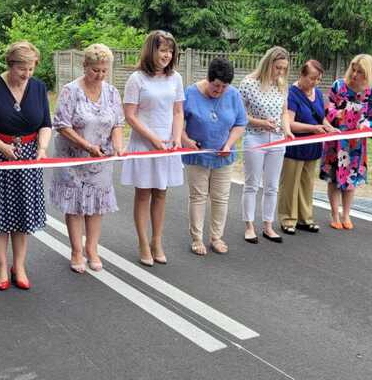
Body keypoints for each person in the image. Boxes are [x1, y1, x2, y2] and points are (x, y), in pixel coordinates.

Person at [0, 41, 52, 290]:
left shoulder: (38, 88)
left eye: (31, 69)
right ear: (10, 65)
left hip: (27, 155)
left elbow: (45, 123)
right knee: (0, 210)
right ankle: (1, 266)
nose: (27, 74)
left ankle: (20, 265)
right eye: (22, 69)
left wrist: (42, 148)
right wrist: (2, 147)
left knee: (23, 210)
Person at [50, 44, 125, 273]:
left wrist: (119, 146)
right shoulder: (70, 91)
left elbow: (118, 123)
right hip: (74, 156)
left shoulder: (111, 92)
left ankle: (92, 249)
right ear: (85, 66)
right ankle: (76, 250)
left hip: (100, 158)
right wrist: (86, 145)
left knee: (96, 205)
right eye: (95, 70)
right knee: (75, 205)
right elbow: (61, 124)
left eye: (104, 70)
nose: (100, 75)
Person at [121, 30, 184, 266]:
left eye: (170, 51)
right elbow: (130, 115)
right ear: (151, 50)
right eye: (162, 50)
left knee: (161, 193)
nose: (167, 55)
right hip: (144, 143)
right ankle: (143, 242)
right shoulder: (136, 79)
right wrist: (152, 138)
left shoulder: (175, 78)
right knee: (144, 194)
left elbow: (178, 111)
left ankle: (157, 241)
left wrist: (176, 138)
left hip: (167, 145)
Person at [181, 57, 247, 255]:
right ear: (208, 79)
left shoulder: (233, 95)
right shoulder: (191, 93)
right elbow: (177, 123)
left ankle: (216, 237)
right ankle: (196, 238)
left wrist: (229, 144)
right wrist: (186, 141)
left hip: (223, 156)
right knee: (198, 196)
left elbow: (240, 123)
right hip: (198, 155)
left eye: (224, 87)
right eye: (216, 86)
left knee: (220, 198)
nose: (219, 91)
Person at [240, 46, 294, 244]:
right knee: (252, 184)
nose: (280, 72)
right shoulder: (248, 83)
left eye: (283, 69)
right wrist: (260, 123)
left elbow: (284, 112)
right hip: (255, 138)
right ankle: (249, 226)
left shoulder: (281, 85)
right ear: (268, 63)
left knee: (272, 186)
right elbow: (240, 115)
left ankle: (268, 225)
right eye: (277, 67)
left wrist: (287, 130)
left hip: (277, 139)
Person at [277, 60, 338, 235]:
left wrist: (328, 126)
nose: (315, 82)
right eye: (312, 78)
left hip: (313, 146)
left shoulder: (318, 94)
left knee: (307, 183)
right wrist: (313, 129)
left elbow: (321, 117)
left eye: (318, 79)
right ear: (302, 75)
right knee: (290, 184)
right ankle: (288, 218)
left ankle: (305, 218)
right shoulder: (291, 94)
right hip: (295, 146)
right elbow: (289, 123)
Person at [320, 54, 372, 230]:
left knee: (350, 179)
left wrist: (367, 125)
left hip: (356, 144)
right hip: (336, 141)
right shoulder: (339, 86)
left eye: (360, 72)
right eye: (353, 70)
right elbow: (326, 106)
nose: (354, 75)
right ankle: (334, 215)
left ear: (368, 73)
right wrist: (334, 114)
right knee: (334, 178)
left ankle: (346, 214)